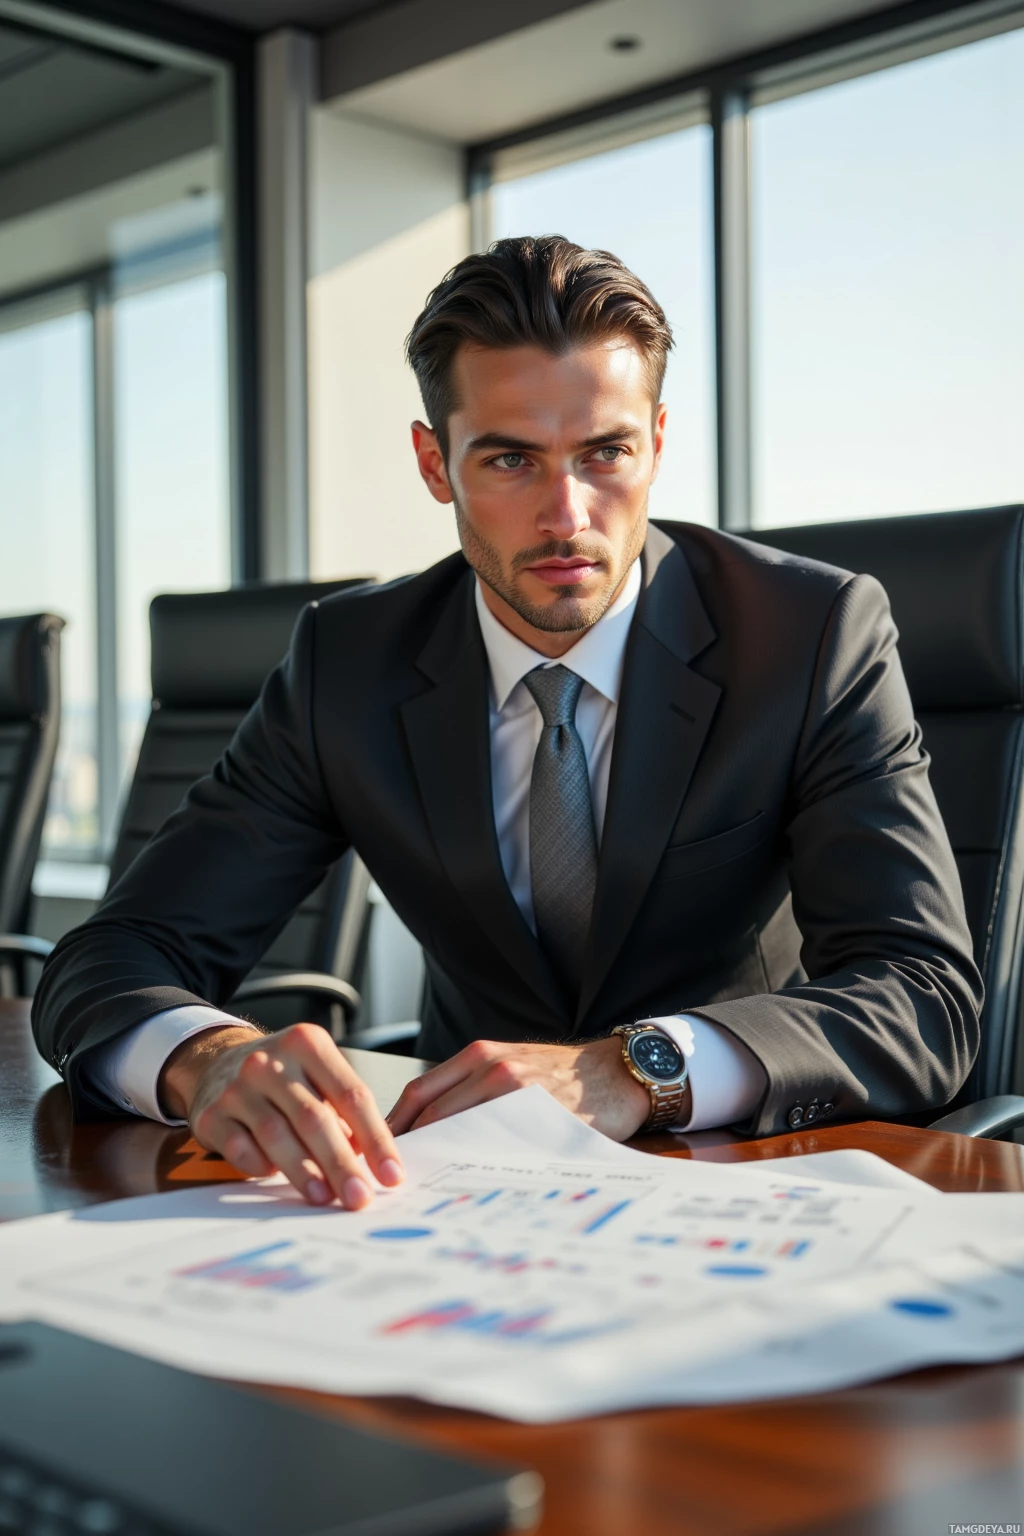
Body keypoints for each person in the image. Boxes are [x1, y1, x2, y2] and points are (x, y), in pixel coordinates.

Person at [32, 236, 982, 1211]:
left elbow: (924, 996)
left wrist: (634, 1068)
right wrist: (209, 1057)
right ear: (433, 463)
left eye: (605, 453)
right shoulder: (346, 663)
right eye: (511, 460)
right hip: (447, 1193)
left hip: (735, 1182)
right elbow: (114, 955)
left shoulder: (809, 635)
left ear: (655, 441)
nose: (566, 516)